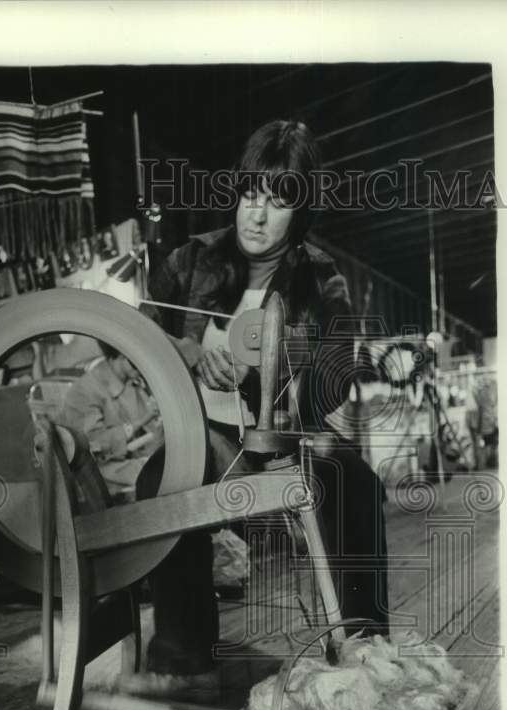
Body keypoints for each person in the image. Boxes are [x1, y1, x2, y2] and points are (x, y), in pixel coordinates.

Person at [139, 119, 389, 679]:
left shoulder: (320, 278)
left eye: (277, 202)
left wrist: (282, 360)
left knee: (356, 481)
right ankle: (184, 652)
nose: (257, 214)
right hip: (206, 435)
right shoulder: (190, 261)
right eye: (251, 194)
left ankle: (366, 651)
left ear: (299, 214)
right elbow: (140, 334)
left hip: (285, 439)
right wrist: (187, 351)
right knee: (160, 478)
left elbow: (337, 377)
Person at [59, 341, 163, 500]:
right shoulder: (83, 392)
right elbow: (94, 445)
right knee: (164, 476)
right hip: (106, 471)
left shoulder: (132, 378)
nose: (144, 367)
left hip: (140, 456)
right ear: (121, 355)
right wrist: (144, 419)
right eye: (138, 361)